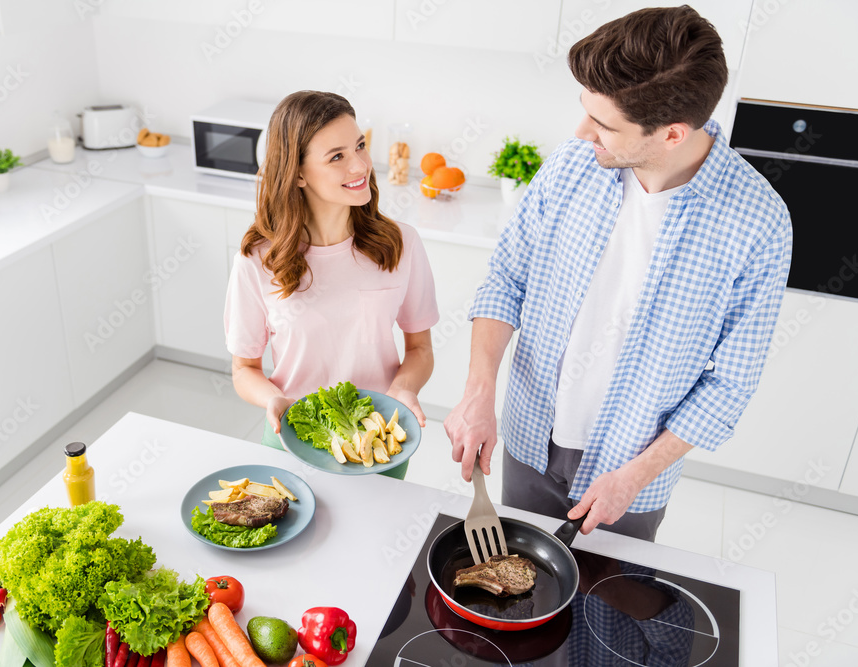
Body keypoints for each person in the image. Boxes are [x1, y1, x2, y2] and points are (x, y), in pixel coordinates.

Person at [445, 6, 792, 539]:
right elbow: (506, 280)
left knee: (608, 610)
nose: (582, 133)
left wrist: (636, 476)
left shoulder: (758, 224)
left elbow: (730, 383)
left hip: (631, 474)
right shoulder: (571, 166)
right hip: (529, 434)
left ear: (673, 134)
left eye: (605, 125)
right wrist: (477, 393)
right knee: (509, 592)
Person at [224, 90, 439, 479]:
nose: (360, 166)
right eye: (337, 156)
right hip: (293, 434)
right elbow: (244, 369)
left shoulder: (400, 244)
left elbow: (420, 348)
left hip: (378, 443)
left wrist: (403, 392)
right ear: (299, 173)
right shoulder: (258, 259)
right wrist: (274, 399)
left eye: (360, 146)